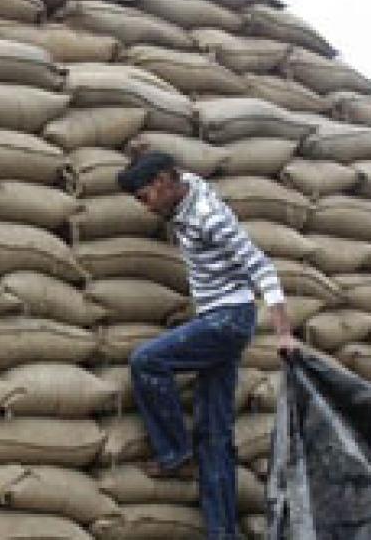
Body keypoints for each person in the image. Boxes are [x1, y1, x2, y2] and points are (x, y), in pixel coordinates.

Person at [117, 148, 297, 540]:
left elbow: (262, 267)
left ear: (163, 182)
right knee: (216, 436)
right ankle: (222, 532)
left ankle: (175, 454)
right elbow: (176, 176)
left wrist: (283, 332)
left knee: (146, 361)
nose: (146, 208)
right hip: (217, 318)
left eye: (145, 197)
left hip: (227, 320)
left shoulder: (208, 216)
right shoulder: (184, 195)